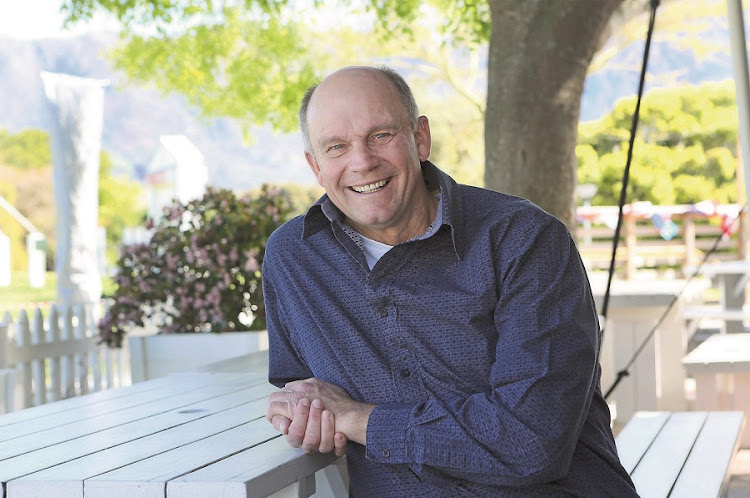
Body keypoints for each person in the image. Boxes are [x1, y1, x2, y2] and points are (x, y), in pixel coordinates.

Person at [263, 65, 637, 496]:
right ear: (315, 165)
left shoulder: (524, 240)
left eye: (381, 135)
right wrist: (302, 414)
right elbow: (301, 393)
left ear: (420, 138)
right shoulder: (294, 258)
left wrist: (358, 418)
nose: (362, 162)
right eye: (336, 147)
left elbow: (531, 442)